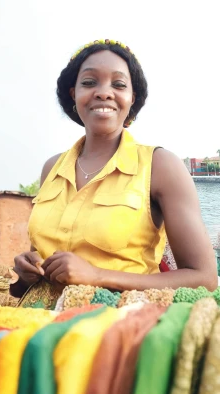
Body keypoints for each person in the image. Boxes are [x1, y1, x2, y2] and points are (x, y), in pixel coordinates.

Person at [11, 39, 217, 298]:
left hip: (119, 323)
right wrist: (26, 272)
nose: (104, 92)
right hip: (36, 323)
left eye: (118, 84)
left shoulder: (161, 166)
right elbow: (34, 271)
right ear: (74, 93)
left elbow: (203, 278)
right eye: (89, 82)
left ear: (133, 98)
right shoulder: (52, 168)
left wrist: (97, 276)